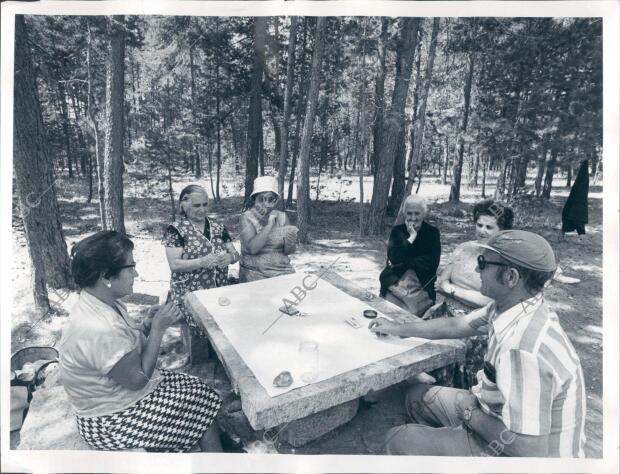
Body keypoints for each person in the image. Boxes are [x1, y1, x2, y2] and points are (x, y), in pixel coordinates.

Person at [370, 230, 586, 457]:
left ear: (510, 277)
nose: (476, 270)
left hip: (520, 455)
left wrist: (470, 414)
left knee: (398, 439)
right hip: (495, 415)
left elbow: (529, 449)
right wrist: (397, 328)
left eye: (482, 263)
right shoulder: (514, 305)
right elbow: (456, 325)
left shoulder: (522, 348)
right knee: (415, 397)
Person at [59, 231, 223, 452]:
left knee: (199, 389)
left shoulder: (101, 302)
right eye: (130, 267)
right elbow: (138, 380)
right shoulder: (98, 327)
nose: (136, 273)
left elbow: (125, 349)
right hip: (110, 421)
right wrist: (158, 329)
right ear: (106, 276)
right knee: (203, 401)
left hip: (115, 397)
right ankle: (216, 459)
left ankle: (209, 446)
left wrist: (146, 324)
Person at [434, 199, 514, 388]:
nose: (482, 231)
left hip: (477, 323)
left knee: (461, 347)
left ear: (501, 230)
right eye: (479, 225)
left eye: (489, 227)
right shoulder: (464, 248)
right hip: (447, 310)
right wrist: (455, 292)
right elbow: (440, 283)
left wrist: (452, 290)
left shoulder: (504, 260)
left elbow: (487, 301)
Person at [163, 185, 239, 339]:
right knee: (205, 322)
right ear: (184, 206)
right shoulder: (176, 230)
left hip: (219, 288)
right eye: (196, 205)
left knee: (231, 319)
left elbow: (235, 254)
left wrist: (229, 258)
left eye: (205, 204)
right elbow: (174, 265)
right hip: (189, 292)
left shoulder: (218, 227)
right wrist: (201, 262)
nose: (202, 209)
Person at [379, 195, 441, 316]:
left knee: (408, 315)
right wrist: (411, 237)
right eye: (409, 213)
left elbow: (432, 263)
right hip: (395, 283)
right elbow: (394, 257)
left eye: (417, 213)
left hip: (421, 285)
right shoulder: (397, 231)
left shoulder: (432, 233)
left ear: (424, 213)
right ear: (404, 214)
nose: (413, 218)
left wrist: (404, 261)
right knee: (386, 312)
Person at [239, 176, 298, 282]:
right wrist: (269, 225)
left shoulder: (282, 217)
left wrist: (291, 240)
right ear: (254, 199)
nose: (265, 204)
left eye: (270, 200)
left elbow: (289, 251)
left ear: (275, 201)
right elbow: (252, 249)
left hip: (282, 270)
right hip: (254, 272)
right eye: (261, 199)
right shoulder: (247, 217)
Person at [560, 159, 589, 241]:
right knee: (568, 214)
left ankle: (582, 237)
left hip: (578, 202)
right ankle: (580, 236)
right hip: (575, 201)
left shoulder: (582, 179)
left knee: (576, 218)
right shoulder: (581, 178)